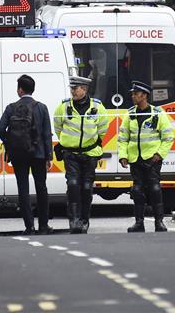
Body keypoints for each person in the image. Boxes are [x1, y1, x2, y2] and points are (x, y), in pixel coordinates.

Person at [0, 74, 54, 235]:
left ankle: (29, 226)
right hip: (39, 154)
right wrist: (48, 156)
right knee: (41, 188)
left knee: (23, 189)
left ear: (20, 90)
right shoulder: (41, 108)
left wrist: (9, 144)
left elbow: (0, 129)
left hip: (18, 154)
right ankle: (44, 225)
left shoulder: (11, 107)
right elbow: (46, 133)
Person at [53, 76, 109, 234]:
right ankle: (74, 220)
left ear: (84, 89)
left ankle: (85, 220)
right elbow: (57, 126)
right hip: (70, 154)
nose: (72, 91)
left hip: (90, 154)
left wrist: (94, 142)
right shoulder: (64, 107)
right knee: (72, 185)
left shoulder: (97, 107)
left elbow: (103, 128)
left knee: (86, 187)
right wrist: (68, 141)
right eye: (71, 88)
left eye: (75, 88)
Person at [119, 81, 174, 232]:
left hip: (152, 159)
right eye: (133, 93)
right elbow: (123, 138)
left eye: (136, 94)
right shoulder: (129, 114)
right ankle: (139, 223)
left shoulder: (158, 114)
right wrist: (123, 155)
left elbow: (168, 137)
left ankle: (159, 222)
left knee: (155, 189)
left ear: (144, 96)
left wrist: (159, 154)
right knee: (137, 190)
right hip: (135, 159)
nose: (133, 96)